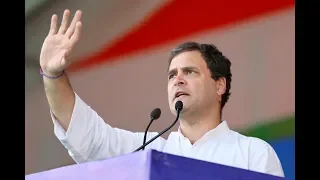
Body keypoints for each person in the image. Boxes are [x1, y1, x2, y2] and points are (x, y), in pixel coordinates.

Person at [40, 9, 285, 177]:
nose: (177, 79)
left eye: (189, 72)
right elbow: (88, 138)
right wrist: (53, 76)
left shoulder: (255, 153)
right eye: (171, 75)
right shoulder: (148, 151)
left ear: (219, 85)